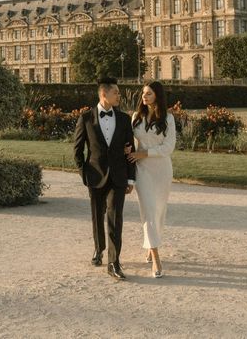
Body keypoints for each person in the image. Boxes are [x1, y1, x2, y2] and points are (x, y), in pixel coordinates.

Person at [73, 77, 136, 280]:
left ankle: (113, 262)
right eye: (116, 92)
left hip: (118, 177)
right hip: (94, 176)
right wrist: (84, 173)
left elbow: (130, 150)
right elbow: (77, 150)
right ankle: (98, 248)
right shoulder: (85, 118)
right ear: (104, 94)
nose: (119, 95)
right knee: (97, 215)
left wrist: (131, 178)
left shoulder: (125, 119)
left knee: (115, 218)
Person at [126, 80, 176, 278]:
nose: (144, 97)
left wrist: (145, 153)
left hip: (162, 170)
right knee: (148, 211)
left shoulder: (168, 119)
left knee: (159, 211)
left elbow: (168, 147)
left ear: (157, 96)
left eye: (148, 94)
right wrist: (131, 154)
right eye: (143, 93)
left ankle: (150, 245)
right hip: (142, 171)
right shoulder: (136, 117)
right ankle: (156, 257)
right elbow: (129, 143)